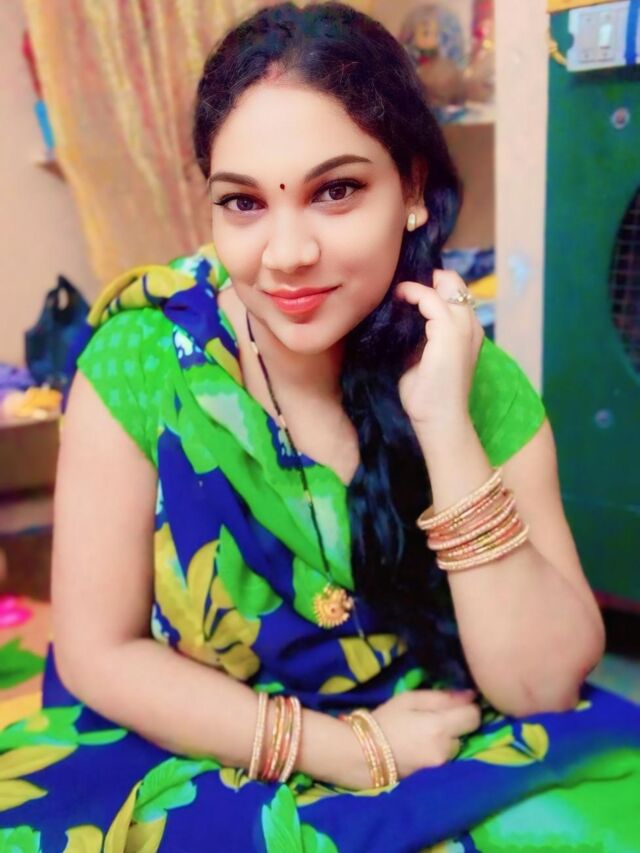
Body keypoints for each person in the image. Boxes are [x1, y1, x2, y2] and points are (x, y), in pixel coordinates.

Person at [1, 3, 639, 850]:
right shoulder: (142, 363)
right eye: (243, 202)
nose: (287, 253)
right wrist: (344, 748)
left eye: (336, 190)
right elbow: (98, 653)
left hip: (441, 734)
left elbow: (544, 686)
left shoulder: (470, 375)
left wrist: (445, 425)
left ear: (412, 190)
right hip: (199, 741)